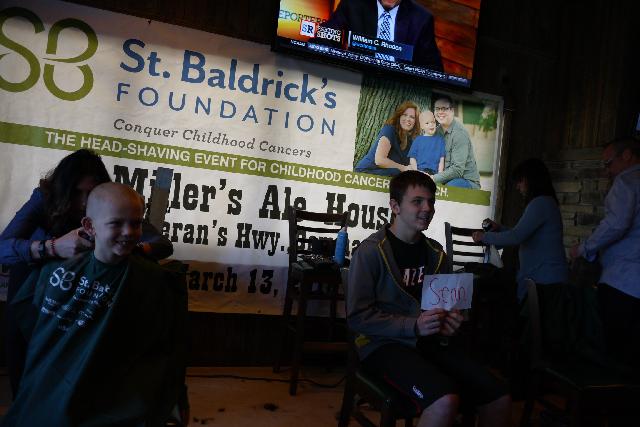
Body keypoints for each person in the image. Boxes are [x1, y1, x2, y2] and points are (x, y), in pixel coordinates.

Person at [2, 183, 187, 426]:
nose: (128, 232)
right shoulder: (58, 270)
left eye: (135, 223)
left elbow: (163, 346)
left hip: (113, 388)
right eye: (116, 223)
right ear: (89, 226)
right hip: (56, 378)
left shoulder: (150, 279)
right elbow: (34, 322)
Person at [348, 171, 511, 427]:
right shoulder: (370, 252)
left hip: (429, 343)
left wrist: (452, 322)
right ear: (395, 206)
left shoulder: (437, 253)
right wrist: (413, 326)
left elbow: (448, 309)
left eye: (431, 202)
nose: (428, 208)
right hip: (381, 345)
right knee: (444, 401)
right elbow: (358, 318)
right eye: (417, 201)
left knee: (499, 397)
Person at [569, 137, 640, 369]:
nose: (606, 170)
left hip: (622, 281)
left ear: (627, 155)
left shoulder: (627, 181)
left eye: (609, 163)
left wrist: (584, 248)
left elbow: (616, 224)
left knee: (615, 354)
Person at [472, 158, 568, 301]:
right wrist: (500, 228)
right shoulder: (546, 202)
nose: (518, 186)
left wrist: (484, 237)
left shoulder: (540, 203)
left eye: (520, 181)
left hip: (546, 283)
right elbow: (524, 234)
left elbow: (516, 236)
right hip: (546, 280)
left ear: (532, 180)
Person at [320, 0, 443, 71]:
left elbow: (433, 68)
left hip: (398, 90)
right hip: (356, 81)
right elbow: (324, 39)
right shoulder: (352, 4)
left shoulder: (422, 18)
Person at [355, 101, 420, 176]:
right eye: (405, 115)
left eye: (412, 117)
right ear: (399, 116)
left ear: (416, 121)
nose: (408, 119)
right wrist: (404, 168)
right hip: (366, 173)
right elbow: (380, 160)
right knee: (397, 173)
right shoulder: (390, 130)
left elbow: (412, 166)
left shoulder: (411, 142)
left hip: (388, 175)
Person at [431, 95, 481, 189]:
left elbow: (457, 170)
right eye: (437, 109)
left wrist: (434, 178)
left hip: (466, 181)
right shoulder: (436, 132)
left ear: (452, 111)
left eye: (444, 108)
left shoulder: (459, 134)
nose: (440, 112)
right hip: (445, 179)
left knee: (447, 189)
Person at [408, 110, 446, 175]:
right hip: (420, 171)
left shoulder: (440, 140)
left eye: (433, 122)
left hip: (434, 173)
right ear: (422, 126)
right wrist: (416, 171)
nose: (431, 125)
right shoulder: (417, 140)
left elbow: (441, 159)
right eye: (427, 123)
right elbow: (412, 158)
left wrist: (440, 174)